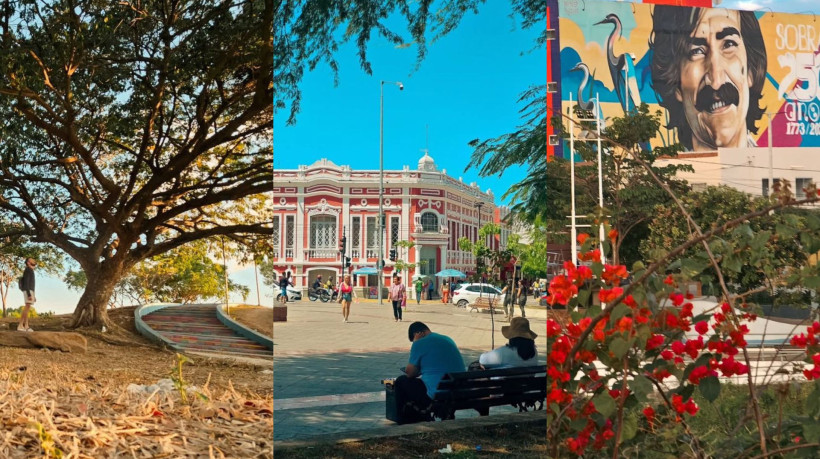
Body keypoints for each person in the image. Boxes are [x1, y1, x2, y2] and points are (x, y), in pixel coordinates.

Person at [650, 6, 766, 151]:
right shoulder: (663, 172)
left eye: (728, 44)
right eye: (696, 51)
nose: (716, 80)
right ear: (676, 85)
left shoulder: (776, 169)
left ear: (751, 71)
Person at [393, 322, 465, 422]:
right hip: (457, 390)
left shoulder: (419, 343)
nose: (414, 342)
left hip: (436, 393)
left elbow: (410, 373)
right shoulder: (447, 339)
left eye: (413, 339)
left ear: (418, 333)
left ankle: (405, 419)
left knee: (401, 381)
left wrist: (416, 343)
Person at [18, 257, 36, 332]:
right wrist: (29, 294)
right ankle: (20, 325)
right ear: (28, 262)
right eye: (31, 260)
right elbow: (26, 283)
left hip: (30, 291)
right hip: (28, 290)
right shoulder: (28, 270)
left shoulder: (30, 270)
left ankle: (26, 326)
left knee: (27, 308)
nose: (33, 260)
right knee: (27, 307)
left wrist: (33, 295)